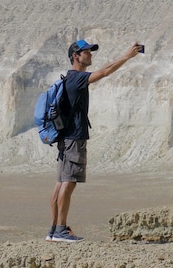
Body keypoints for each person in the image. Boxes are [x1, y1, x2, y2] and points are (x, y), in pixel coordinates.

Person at [46, 39, 142, 242]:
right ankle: (61, 230)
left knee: (61, 182)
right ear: (76, 56)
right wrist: (127, 56)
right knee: (69, 183)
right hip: (74, 139)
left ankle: (54, 230)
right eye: (87, 52)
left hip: (65, 139)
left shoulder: (68, 79)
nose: (90, 55)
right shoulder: (77, 78)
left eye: (90, 51)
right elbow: (106, 72)